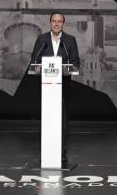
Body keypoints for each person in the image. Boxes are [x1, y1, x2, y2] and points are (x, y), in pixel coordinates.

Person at [30, 12, 80, 166]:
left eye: (59, 21)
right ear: (50, 22)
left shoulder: (69, 40)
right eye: (54, 21)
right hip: (47, 89)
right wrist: (37, 67)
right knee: (46, 122)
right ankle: (46, 152)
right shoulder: (42, 39)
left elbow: (76, 62)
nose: (56, 24)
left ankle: (61, 154)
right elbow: (34, 60)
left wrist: (66, 69)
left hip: (63, 88)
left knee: (62, 123)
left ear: (63, 23)